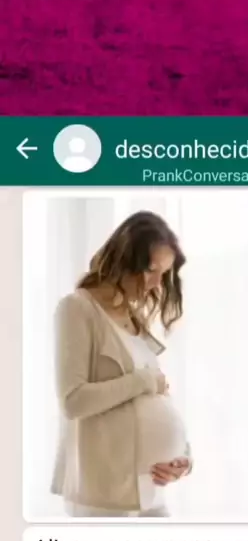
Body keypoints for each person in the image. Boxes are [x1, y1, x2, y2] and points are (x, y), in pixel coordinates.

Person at [51, 210, 192, 517]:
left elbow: (157, 396)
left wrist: (182, 456)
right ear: (123, 259)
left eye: (163, 273)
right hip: (103, 494)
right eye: (151, 269)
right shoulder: (77, 309)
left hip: (150, 489)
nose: (156, 283)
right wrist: (144, 381)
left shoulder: (133, 318)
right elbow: (73, 401)